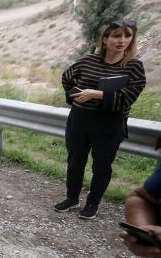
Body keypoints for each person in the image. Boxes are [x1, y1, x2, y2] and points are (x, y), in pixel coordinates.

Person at [55, 19, 146, 219]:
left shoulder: (134, 67)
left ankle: (92, 204)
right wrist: (76, 96)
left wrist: (95, 94)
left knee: (102, 166)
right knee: (75, 162)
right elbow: (67, 77)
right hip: (80, 119)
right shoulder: (88, 61)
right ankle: (72, 198)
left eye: (127, 36)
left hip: (110, 123)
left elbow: (128, 97)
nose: (122, 40)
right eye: (116, 36)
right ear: (105, 39)